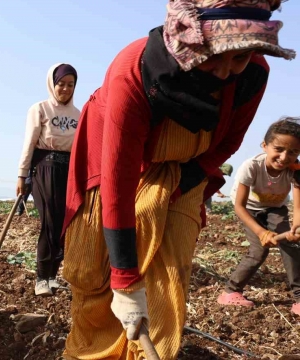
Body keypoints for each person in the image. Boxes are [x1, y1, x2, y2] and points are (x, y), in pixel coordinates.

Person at [60, 1, 294, 359]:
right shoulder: (134, 72)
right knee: (95, 268)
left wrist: (185, 181)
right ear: (190, 41)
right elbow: (118, 185)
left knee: (168, 271)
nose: (225, 72)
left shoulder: (253, 73)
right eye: (215, 56)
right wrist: (124, 280)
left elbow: (230, 140)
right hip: (116, 157)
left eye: (239, 58)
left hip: (187, 166)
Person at [217, 118, 300, 314]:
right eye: (278, 149)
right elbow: (239, 206)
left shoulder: (296, 170)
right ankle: (230, 291)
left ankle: (299, 298)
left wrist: (296, 226)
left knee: (291, 245)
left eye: (293, 152)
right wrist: (261, 231)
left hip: (276, 209)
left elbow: (297, 206)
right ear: (265, 146)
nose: (284, 157)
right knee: (258, 251)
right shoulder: (251, 166)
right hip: (250, 209)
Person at [16, 63, 80, 297]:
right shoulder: (40, 109)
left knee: (64, 225)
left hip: (68, 171)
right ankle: (41, 278)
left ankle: (53, 276)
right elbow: (29, 142)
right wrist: (22, 174)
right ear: (52, 84)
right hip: (44, 168)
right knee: (50, 222)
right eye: (61, 84)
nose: (65, 89)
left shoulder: (78, 114)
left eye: (70, 85)